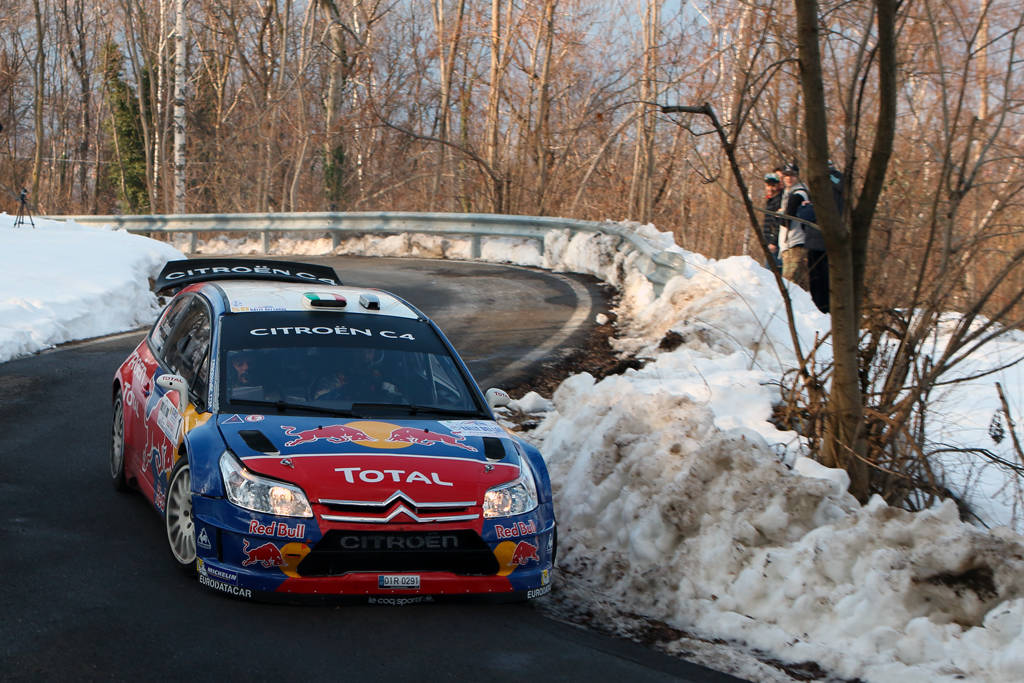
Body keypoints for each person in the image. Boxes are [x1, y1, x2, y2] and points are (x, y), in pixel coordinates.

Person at [778, 162, 810, 290]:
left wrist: (780, 214)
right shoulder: (788, 192)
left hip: (795, 242)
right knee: (802, 286)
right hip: (793, 243)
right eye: (786, 175)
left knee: (789, 284)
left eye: (792, 175)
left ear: (797, 176)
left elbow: (786, 220)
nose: (789, 178)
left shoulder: (798, 193)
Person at [762, 172, 784, 270]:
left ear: (778, 185)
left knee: (773, 274)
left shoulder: (779, 200)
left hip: (775, 245)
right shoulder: (771, 201)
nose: (770, 188)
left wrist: (773, 242)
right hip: (769, 242)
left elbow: (778, 223)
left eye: (773, 185)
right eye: (768, 185)